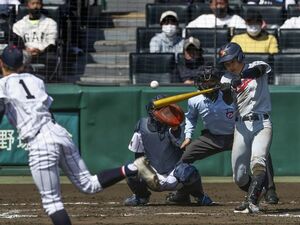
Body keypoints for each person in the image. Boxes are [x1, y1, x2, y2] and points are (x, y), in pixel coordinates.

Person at [0, 45, 142, 225]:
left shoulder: (3, 84)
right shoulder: (36, 80)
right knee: (88, 184)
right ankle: (132, 168)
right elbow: (46, 109)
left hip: (39, 141)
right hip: (58, 133)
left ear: (1, 63)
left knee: (52, 203)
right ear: (22, 63)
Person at [166, 65, 279, 206]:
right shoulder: (194, 100)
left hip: (237, 134)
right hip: (212, 138)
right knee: (183, 159)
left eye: (211, 81)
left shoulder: (229, 94)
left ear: (218, 81)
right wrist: (188, 137)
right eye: (204, 81)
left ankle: (269, 190)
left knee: (262, 154)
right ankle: (182, 193)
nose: (208, 84)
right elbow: (191, 118)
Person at [124, 96, 213, 206]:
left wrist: (175, 129)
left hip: (175, 173)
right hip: (152, 176)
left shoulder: (177, 124)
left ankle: (195, 196)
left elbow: (181, 145)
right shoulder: (142, 125)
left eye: (164, 108)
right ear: (151, 111)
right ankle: (141, 196)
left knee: (188, 172)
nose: (161, 112)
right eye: (158, 108)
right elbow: (138, 153)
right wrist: (141, 171)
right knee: (131, 169)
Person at [218, 42, 275, 213]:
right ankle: (258, 191)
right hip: (241, 126)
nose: (230, 66)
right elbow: (228, 100)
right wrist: (227, 89)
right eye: (226, 64)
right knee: (239, 176)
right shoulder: (225, 78)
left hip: (261, 123)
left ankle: (251, 202)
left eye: (232, 62)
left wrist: (241, 76)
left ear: (240, 57)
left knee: (258, 161)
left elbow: (258, 72)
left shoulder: (257, 65)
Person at [12, 0, 58, 80]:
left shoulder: (51, 23)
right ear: (27, 5)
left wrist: (40, 51)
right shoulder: (18, 25)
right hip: (24, 53)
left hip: (44, 53)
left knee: (52, 57)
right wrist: (26, 51)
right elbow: (17, 43)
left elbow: (52, 42)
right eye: (32, 3)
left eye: (38, 3)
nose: (35, 6)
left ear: (42, 5)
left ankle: (48, 80)